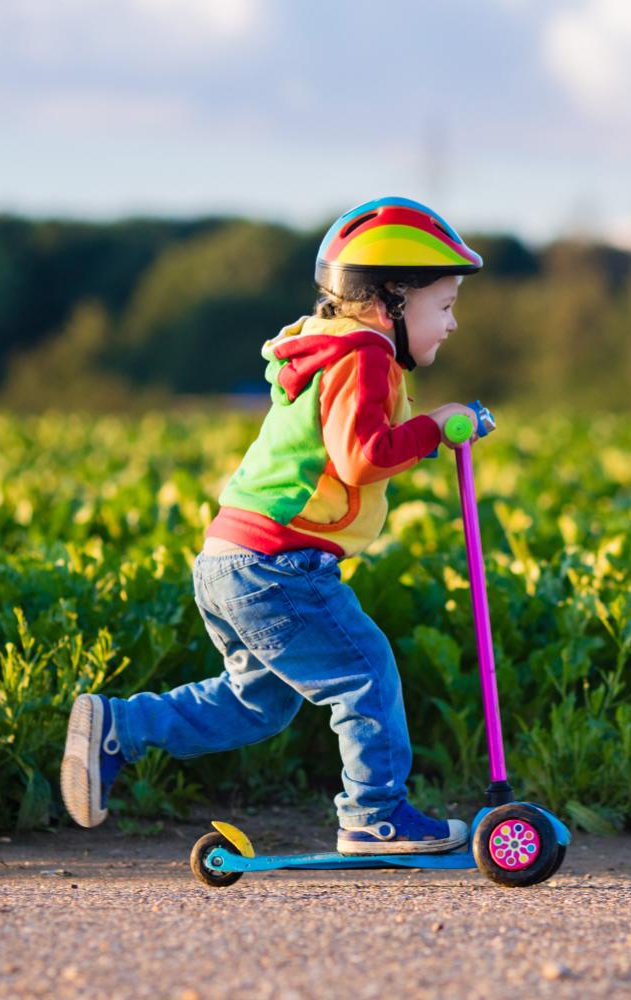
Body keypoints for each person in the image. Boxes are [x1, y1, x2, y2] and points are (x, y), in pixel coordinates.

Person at [60, 196, 482, 854]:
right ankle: (375, 814)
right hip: (280, 565)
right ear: (393, 297)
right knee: (365, 673)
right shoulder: (365, 352)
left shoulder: (328, 349)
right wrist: (435, 427)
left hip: (231, 557)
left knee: (254, 704)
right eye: (446, 305)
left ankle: (119, 727)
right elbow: (362, 456)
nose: (452, 325)